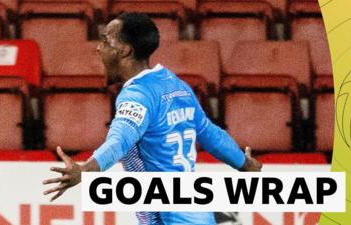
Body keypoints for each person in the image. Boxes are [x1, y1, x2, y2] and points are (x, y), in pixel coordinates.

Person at [43, 12, 262, 225]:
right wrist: (243, 163)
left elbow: (119, 141)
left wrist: (85, 171)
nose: (99, 48)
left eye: (105, 41)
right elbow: (208, 132)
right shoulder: (176, 86)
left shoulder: (137, 96)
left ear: (124, 51)